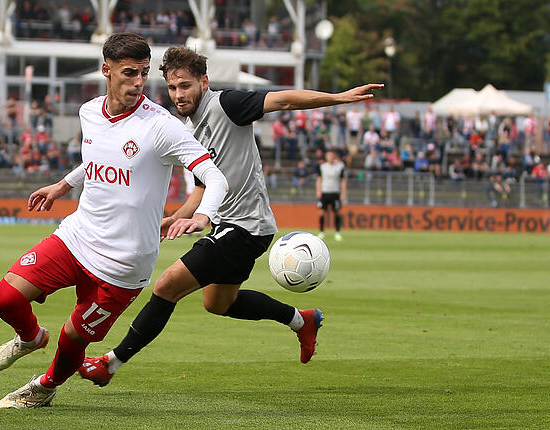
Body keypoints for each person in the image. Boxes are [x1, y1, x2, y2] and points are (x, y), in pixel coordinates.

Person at [79, 46, 381, 387]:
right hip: (232, 226)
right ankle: (302, 321)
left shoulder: (227, 105)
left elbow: (282, 101)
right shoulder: (187, 128)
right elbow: (199, 189)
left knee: (166, 287)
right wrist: (175, 218)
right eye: (173, 88)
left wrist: (338, 98)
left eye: (186, 86)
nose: (179, 95)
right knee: (219, 303)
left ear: (204, 82)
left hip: (245, 226)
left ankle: (110, 363)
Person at [0, 33, 228, 409]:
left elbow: (216, 177)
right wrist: (64, 185)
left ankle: (43, 389)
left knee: (73, 339)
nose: (137, 82)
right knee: (4, 298)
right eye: (129, 73)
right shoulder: (89, 112)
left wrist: (202, 214)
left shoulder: (161, 127)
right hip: (78, 236)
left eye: (144, 74)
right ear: (106, 71)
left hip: (123, 263)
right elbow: (100, 155)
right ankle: (31, 338)